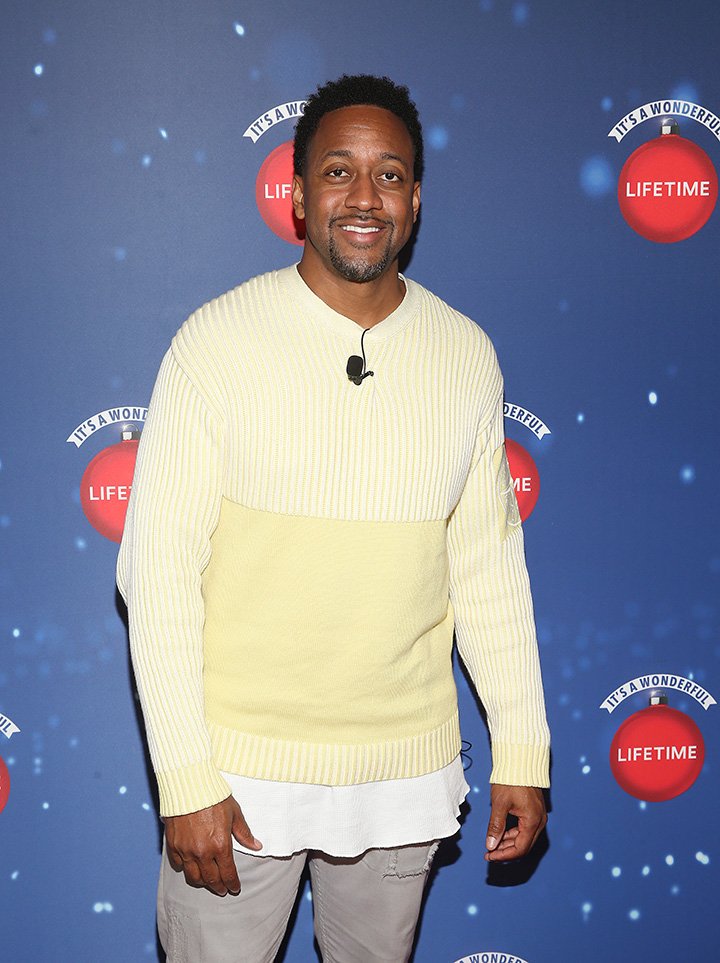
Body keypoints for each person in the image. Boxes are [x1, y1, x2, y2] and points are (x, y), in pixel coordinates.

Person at [117, 73, 551, 963]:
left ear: (417, 200)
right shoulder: (215, 343)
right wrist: (186, 778)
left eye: (390, 175)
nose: (364, 197)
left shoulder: (466, 355)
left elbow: (488, 567)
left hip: (405, 777)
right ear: (299, 194)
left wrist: (524, 747)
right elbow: (155, 575)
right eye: (339, 172)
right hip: (239, 782)